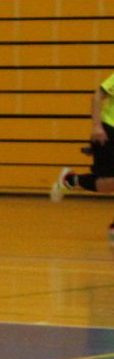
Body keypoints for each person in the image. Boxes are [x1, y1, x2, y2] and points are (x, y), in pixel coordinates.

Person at [50, 69, 114, 239]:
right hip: (108, 130)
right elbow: (97, 96)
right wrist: (96, 127)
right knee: (108, 184)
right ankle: (70, 180)